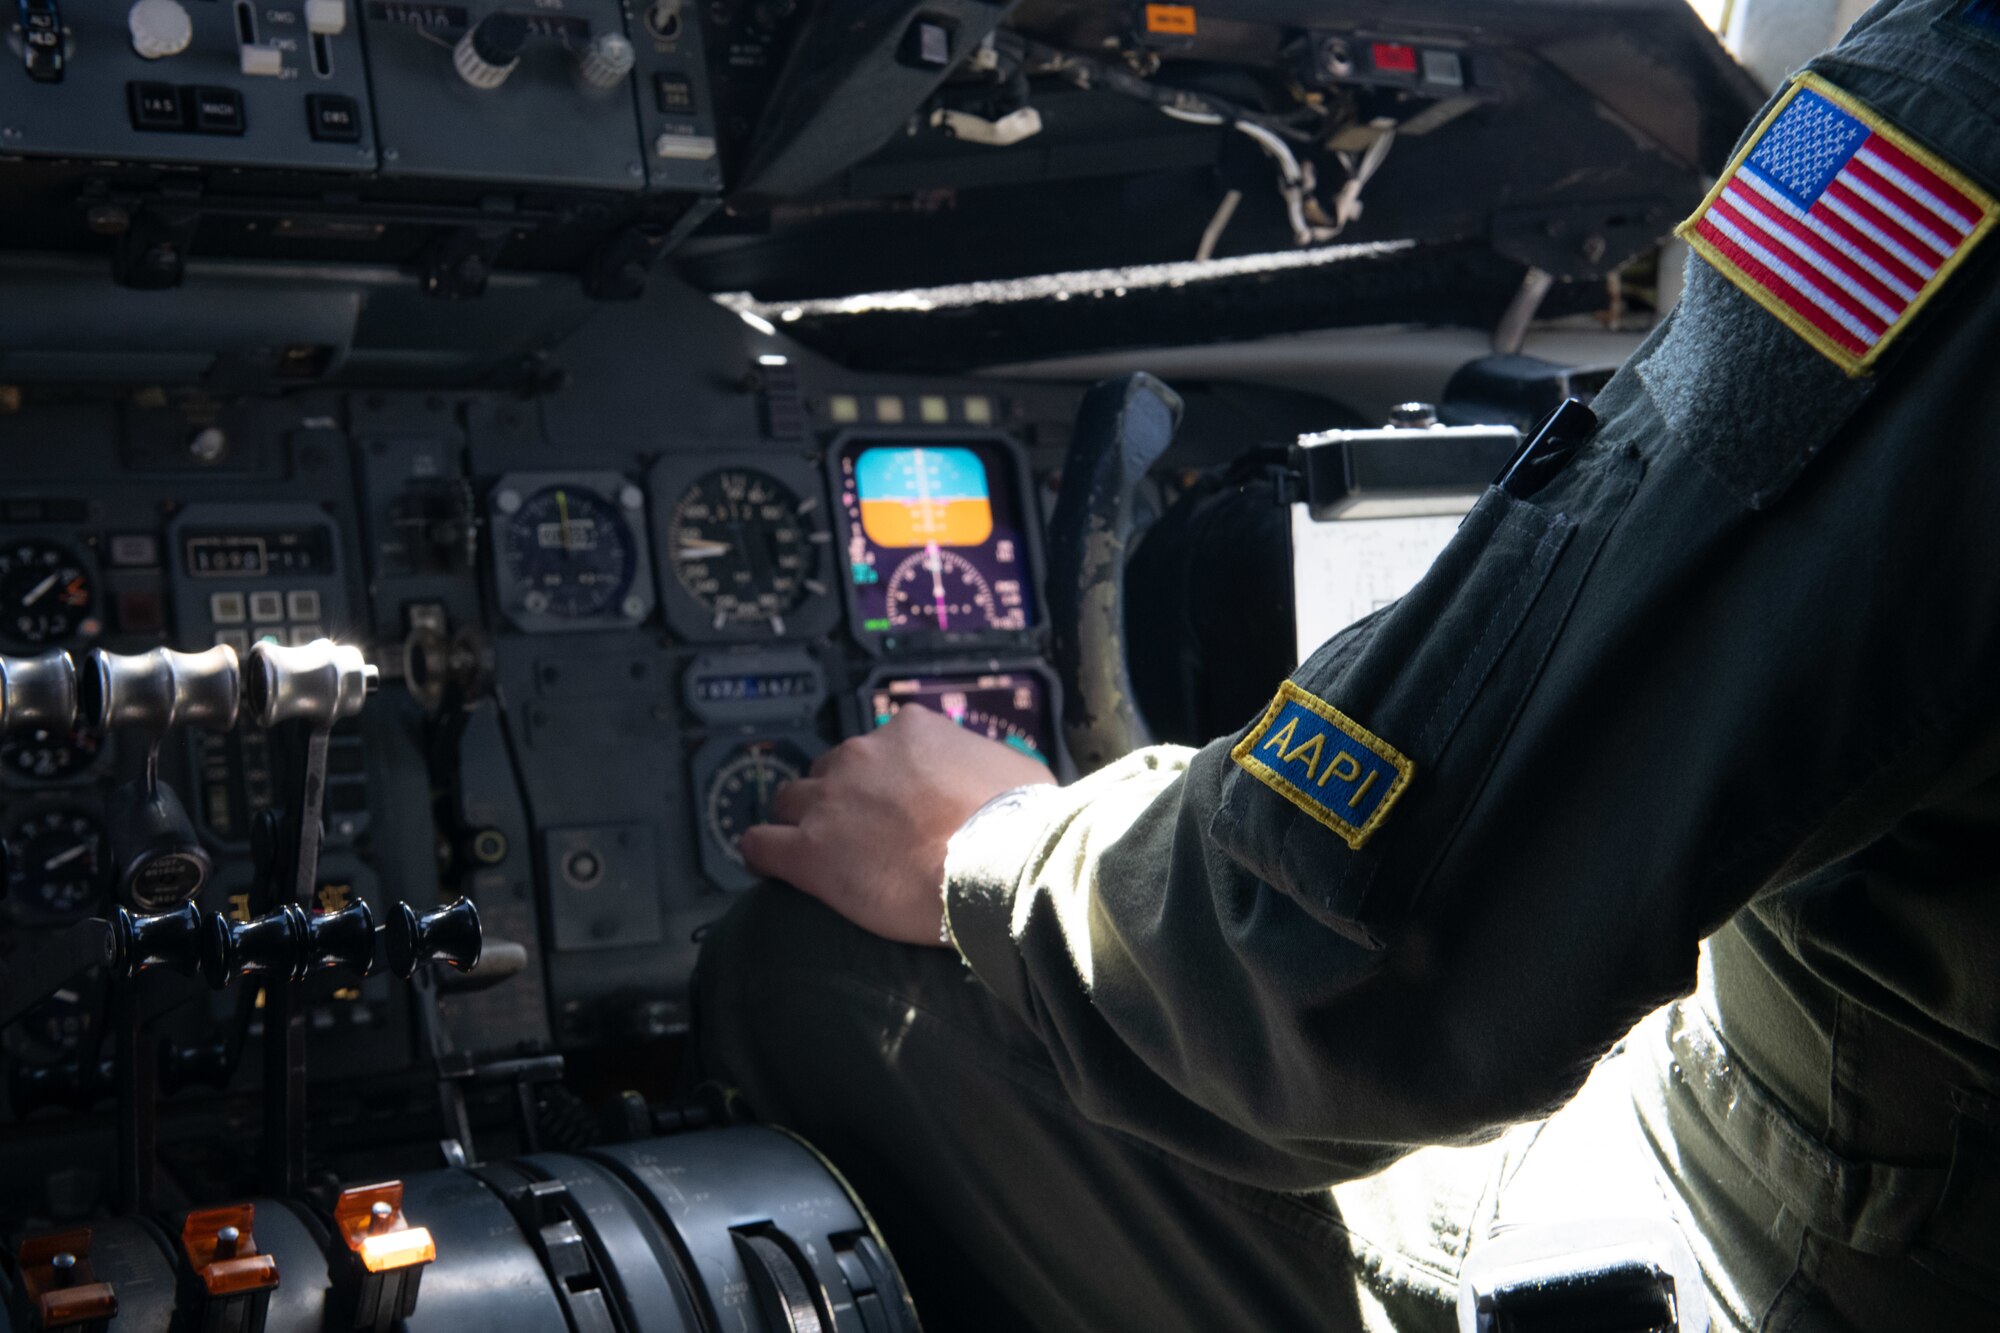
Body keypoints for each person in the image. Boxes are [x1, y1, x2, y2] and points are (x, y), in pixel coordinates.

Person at [695, 2, 2000, 1327]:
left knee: (820, 965)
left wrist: (993, 848)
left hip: (1815, 1263)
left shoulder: (1958, 119)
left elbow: (1374, 963)